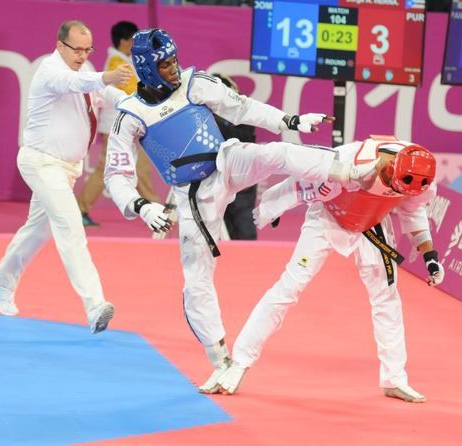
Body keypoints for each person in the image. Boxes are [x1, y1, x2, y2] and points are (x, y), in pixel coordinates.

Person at [104, 28, 377, 391]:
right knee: (196, 279)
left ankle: (348, 171)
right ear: (146, 67)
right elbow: (115, 176)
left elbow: (242, 106)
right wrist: (140, 206)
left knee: (275, 153)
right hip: (192, 196)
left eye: (174, 59)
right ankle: (221, 362)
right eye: (165, 64)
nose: (174, 68)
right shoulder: (130, 116)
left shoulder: (194, 83)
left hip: (226, 160)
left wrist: (289, 121)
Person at [216, 136, 445, 403]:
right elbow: (299, 181)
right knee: (289, 287)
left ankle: (395, 378)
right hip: (328, 217)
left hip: (371, 224)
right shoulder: (349, 160)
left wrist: (429, 254)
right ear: (390, 169)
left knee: (387, 297)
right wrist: (271, 208)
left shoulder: (422, 182)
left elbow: (412, 211)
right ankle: (239, 363)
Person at [0, 20, 132, 334]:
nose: (82, 55)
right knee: (70, 226)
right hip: (41, 162)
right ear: (60, 44)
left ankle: (0, 281)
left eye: (87, 49)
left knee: (36, 231)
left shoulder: (86, 68)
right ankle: (95, 306)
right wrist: (106, 75)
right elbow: (76, 84)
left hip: (66, 168)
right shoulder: (49, 71)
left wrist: (137, 105)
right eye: (76, 49)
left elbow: (104, 92)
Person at [77, 20, 159, 227]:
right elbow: (133, 93)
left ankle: (157, 208)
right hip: (116, 126)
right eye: (133, 39)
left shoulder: (124, 59)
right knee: (106, 168)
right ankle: (80, 210)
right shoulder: (117, 63)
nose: (135, 43)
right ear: (124, 41)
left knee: (141, 167)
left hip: (129, 125)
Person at [212, 73, 257, 240]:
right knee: (220, 231)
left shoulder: (244, 112)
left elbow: (243, 138)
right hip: (216, 180)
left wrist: (219, 120)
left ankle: (250, 262)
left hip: (242, 180)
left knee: (244, 228)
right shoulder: (203, 117)